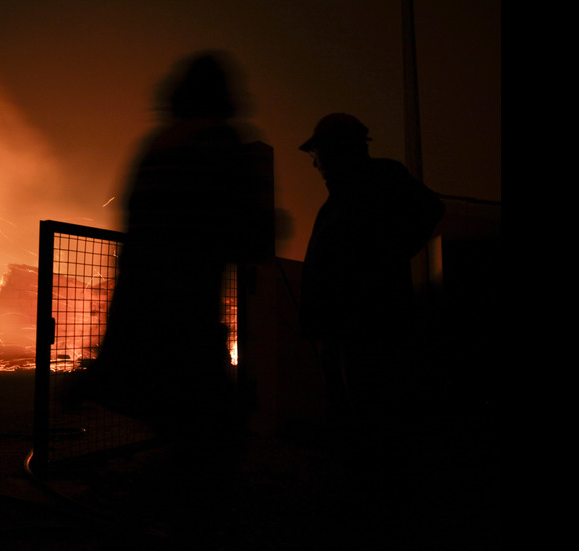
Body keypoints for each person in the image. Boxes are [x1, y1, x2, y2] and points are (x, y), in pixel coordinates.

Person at [76, 51, 273, 440]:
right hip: (190, 318)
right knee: (209, 437)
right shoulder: (221, 142)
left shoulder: (156, 146)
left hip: (141, 316)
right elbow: (248, 238)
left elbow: (136, 237)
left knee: (176, 426)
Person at [298, 113, 443, 421]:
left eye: (318, 154)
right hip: (339, 331)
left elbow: (430, 209)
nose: (315, 163)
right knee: (350, 415)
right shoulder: (335, 204)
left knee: (370, 415)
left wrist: (381, 263)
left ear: (337, 148)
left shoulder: (381, 180)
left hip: (369, 330)